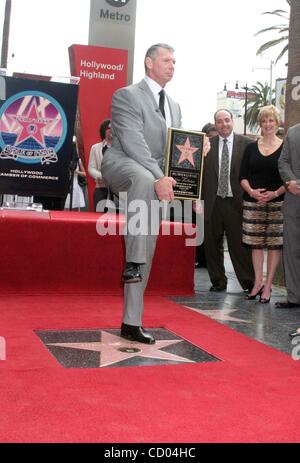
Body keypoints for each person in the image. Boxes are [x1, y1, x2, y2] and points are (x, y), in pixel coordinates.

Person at [101, 44, 182, 344]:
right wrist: (160, 176)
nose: (173, 65)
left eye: (175, 61)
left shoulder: (174, 105)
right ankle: (132, 259)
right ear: (149, 63)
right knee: (143, 177)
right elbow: (134, 143)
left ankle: (131, 322)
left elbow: (176, 147)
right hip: (124, 164)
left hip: (152, 182)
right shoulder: (126, 95)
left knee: (149, 242)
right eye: (167, 60)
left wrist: (198, 154)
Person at [202, 109, 254, 292]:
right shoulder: (206, 145)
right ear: (215, 124)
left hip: (236, 201)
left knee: (239, 244)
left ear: (232, 121)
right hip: (211, 201)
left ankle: (249, 282)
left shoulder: (247, 144)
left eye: (227, 120)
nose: (224, 124)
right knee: (211, 243)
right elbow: (198, 174)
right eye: (219, 121)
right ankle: (218, 281)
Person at [239, 105, 285, 303]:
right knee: (255, 245)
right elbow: (242, 176)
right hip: (253, 202)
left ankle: (268, 287)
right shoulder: (250, 147)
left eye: (271, 120)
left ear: (277, 123)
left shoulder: (285, 147)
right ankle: (257, 283)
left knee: (275, 245)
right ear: (260, 124)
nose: (267, 124)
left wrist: (275, 193)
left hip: (278, 204)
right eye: (264, 121)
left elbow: (289, 176)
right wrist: (251, 192)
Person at [276, 122, 300, 310]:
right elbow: (283, 162)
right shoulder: (292, 132)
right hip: (293, 199)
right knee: (291, 250)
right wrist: (292, 181)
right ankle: (294, 296)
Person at [194, 122, 218, 269]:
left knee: (213, 233)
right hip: (200, 196)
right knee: (200, 228)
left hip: (216, 198)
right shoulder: (197, 153)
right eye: (210, 137)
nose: (213, 140)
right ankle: (200, 257)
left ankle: (211, 261)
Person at [88, 119, 112, 211]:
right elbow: (91, 168)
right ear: (103, 130)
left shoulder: (122, 148)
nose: (111, 130)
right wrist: (100, 176)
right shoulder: (95, 148)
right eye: (108, 128)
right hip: (101, 189)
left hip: (119, 191)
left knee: (119, 221)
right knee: (100, 220)